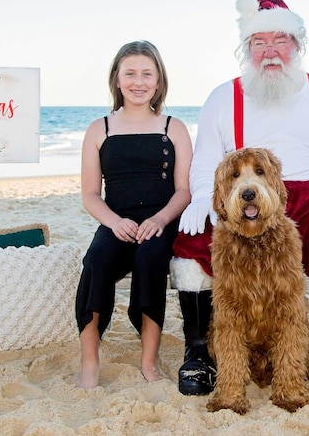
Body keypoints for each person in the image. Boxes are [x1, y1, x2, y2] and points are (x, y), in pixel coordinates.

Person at [170, 0, 309, 398]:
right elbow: (209, 158)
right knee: (190, 244)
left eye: (280, 40)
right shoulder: (222, 97)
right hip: (242, 196)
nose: (270, 52)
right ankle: (198, 354)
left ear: (297, 44)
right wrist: (201, 199)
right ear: (247, 49)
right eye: (259, 42)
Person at [75, 41, 192, 389]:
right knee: (95, 262)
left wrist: (159, 220)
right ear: (117, 79)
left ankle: (149, 359)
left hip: (162, 222)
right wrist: (113, 222)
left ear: (158, 81)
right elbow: (90, 195)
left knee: (149, 260)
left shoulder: (174, 127)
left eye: (146, 74)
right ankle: (90, 362)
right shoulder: (100, 129)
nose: (138, 82)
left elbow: (184, 191)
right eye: (130, 73)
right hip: (117, 220)